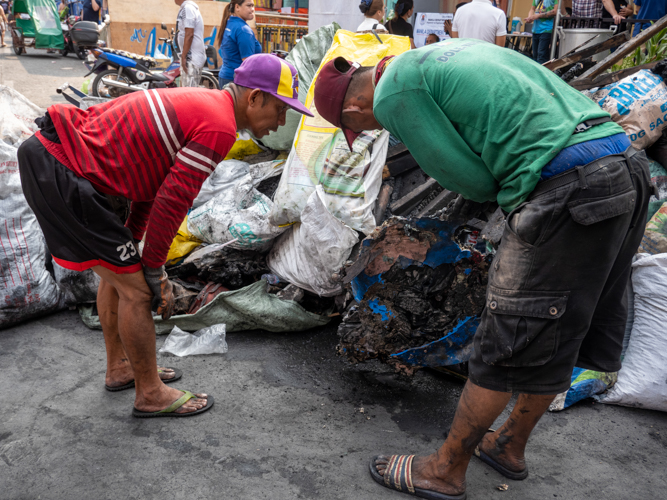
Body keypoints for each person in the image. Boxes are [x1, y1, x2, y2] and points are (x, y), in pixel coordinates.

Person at [313, 40, 651, 499]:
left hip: (568, 185)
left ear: (354, 106)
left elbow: (468, 179)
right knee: (561, 322)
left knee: (501, 339)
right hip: (623, 165)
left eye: (357, 127)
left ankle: (444, 470)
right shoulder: (439, 54)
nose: (371, 131)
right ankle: (509, 445)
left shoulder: (392, 92)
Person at [17, 54, 313, 419]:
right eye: (281, 109)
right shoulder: (219, 125)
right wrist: (155, 271)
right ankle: (150, 393)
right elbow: (174, 201)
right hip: (63, 167)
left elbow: (152, 187)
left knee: (120, 275)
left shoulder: (206, 106)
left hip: (57, 160)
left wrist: (137, 247)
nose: (282, 121)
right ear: (254, 99)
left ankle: (120, 367)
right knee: (138, 291)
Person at [215, 0, 262, 90]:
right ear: (237, 7)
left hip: (226, 76)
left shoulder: (230, 23)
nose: (252, 9)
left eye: (253, 6)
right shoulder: (243, 30)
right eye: (249, 5)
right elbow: (247, 63)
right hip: (237, 81)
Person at [175, 0, 206, 87]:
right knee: (188, 91)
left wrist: (184, 57)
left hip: (191, 59)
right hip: (191, 59)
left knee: (189, 93)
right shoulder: (186, 8)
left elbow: (189, 34)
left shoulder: (188, 8)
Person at [525, 0, 558, 64]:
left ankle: (541, 73)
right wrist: (530, 17)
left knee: (542, 55)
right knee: (535, 56)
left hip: (546, 29)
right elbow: (532, 9)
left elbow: (555, 11)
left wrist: (538, 16)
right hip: (535, 30)